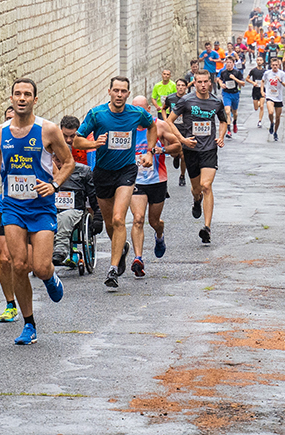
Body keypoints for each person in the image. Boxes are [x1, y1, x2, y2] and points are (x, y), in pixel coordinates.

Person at [0, 78, 74, 345]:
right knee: (18, 265)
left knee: (39, 267)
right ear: (11, 99)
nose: (22, 98)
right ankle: (29, 324)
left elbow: (69, 161)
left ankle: (50, 277)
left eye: (27, 94)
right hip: (12, 205)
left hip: (41, 207)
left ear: (35, 100)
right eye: (18, 94)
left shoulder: (48, 130)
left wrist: (54, 184)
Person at [72, 76, 157, 290]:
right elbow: (77, 140)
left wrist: (149, 150)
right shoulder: (97, 114)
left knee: (119, 219)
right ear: (109, 91)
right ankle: (122, 249)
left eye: (123, 91)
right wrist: (94, 143)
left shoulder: (136, 113)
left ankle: (112, 269)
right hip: (102, 173)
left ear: (128, 94)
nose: (119, 95)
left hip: (126, 171)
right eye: (116, 90)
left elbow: (152, 126)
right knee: (110, 224)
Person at [128, 96, 186, 277]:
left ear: (148, 110)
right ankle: (138, 258)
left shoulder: (159, 125)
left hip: (157, 180)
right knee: (138, 219)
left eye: (142, 110)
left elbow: (177, 147)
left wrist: (160, 150)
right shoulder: (126, 127)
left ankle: (159, 236)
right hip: (135, 181)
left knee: (154, 221)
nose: (138, 114)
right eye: (135, 110)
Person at [166, 71, 227, 244]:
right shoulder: (186, 101)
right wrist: (182, 139)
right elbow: (170, 121)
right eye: (199, 82)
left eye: (205, 82)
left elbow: (223, 121)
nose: (202, 85)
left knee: (206, 185)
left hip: (209, 149)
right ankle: (196, 200)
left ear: (210, 83)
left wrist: (221, 136)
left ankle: (207, 227)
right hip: (191, 149)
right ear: (194, 83)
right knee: (197, 189)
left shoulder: (216, 102)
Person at [0, 106, 20, 323]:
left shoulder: (35, 137)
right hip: (6, 205)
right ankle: (10, 304)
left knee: (25, 263)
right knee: (5, 258)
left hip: (32, 208)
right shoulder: (0, 139)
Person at [163, 78, 190, 188]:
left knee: (184, 156)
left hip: (185, 129)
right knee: (174, 153)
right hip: (173, 129)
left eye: (183, 85)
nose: (180, 87)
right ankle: (175, 156)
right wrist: (166, 120)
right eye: (178, 85)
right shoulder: (171, 98)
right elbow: (163, 108)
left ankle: (182, 175)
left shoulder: (189, 99)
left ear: (186, 87)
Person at [263, 57, 285, 142]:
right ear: (271, 65)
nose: (274, 66)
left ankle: (275, 132)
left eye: (276, 65)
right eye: (273, 65)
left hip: (278, 97)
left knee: (278, 117)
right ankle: (271, 123)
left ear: (278, 65)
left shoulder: (282, 74)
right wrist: (262, 91)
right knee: (270, 112)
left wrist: (280, 81)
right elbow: (262, 81)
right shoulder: (267, 73)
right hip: (269, 96)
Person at [217, 57, 246, 136]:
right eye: (227, 62)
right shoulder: (223, 72)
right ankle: (229, 130)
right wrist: (221, 84)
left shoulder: (237, 72)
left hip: (235, 93)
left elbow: (243, 84)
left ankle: (235, 122)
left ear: (233, 63)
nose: (228, 64)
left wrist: (235, 79)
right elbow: (219, 79)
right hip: (226, 94)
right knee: (227, 111)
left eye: (230, 62)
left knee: (235, 112)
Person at [248, 58, 268, 128]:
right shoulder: (253, 70)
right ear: (256, 62)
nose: (259, 62)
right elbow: (247, 78)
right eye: (258, 60)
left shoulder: (265, 71)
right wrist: (253, 82)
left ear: (263, 61)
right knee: (256, 108)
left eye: (261, 60)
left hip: (262, 90)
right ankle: (258, 104)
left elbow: (268, 79)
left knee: (262, 106)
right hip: (255, 90)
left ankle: (259, 121)